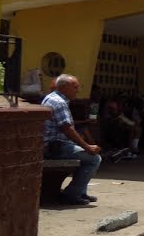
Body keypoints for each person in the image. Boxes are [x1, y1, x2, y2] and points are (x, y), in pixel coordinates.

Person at [42, 74, 102, 205]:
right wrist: (87, 147)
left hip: (56, 144)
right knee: (94, 159)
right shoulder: (58, 101)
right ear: (64, 87)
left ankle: (80, 192)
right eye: (75, 87)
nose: (77, 90)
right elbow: (67, 128)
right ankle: (72, 194)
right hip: (54, 147)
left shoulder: (54, 98)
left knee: (86, 155)